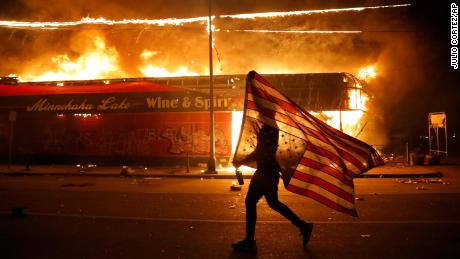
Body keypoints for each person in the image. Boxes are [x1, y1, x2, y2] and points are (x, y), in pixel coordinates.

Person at [232, 125, 313, 252]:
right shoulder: (270, 127)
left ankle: (249, 241)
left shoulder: (269, 128)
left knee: (251, 202)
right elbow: (261, 151)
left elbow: (261, 152)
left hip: (265, 172)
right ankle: (303, 226)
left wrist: (241, 161)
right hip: (269, 172)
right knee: (273, 203)